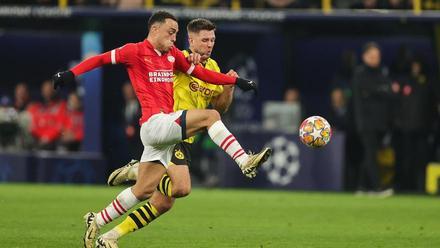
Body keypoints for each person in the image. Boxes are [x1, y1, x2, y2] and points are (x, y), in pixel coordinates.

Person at [52, 11, 271, 248]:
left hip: (166, 131)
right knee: (211, 118)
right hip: (156, 124)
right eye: (171, 32)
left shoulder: (172, 56)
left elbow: (201, 73)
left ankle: (98, 220)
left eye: (176, 33)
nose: (174, 38)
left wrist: (236, 82)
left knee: (144, 192)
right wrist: (70, 74)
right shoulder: (134, 51)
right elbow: (101, 59)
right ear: (155, 29)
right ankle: (243, 161)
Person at [106, 17, 237, 234]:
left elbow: (220, 108)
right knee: (181, 187)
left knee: (163, 203)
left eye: (212, 40)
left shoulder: (213, 67)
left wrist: (229, 88)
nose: (210, 44)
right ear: (191, 41)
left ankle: (111, 235)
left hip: (189, 136)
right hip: (170, 128)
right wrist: (188, 60)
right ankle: (140, 171)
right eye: (204, 40)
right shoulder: (176, 58)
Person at [352, 42, 393, 194]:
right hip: (366, 122)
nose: (375, 59)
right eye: (372, 56)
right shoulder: (360, 73)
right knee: (371, 153)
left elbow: (389, 91)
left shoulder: (382, 73)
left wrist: (380, 90)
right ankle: (377, 187)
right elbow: (379, 90)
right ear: (364, 57)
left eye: (377, 56)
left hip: (380, 122)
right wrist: (382, 90)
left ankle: (361, 187)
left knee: (370, 153)